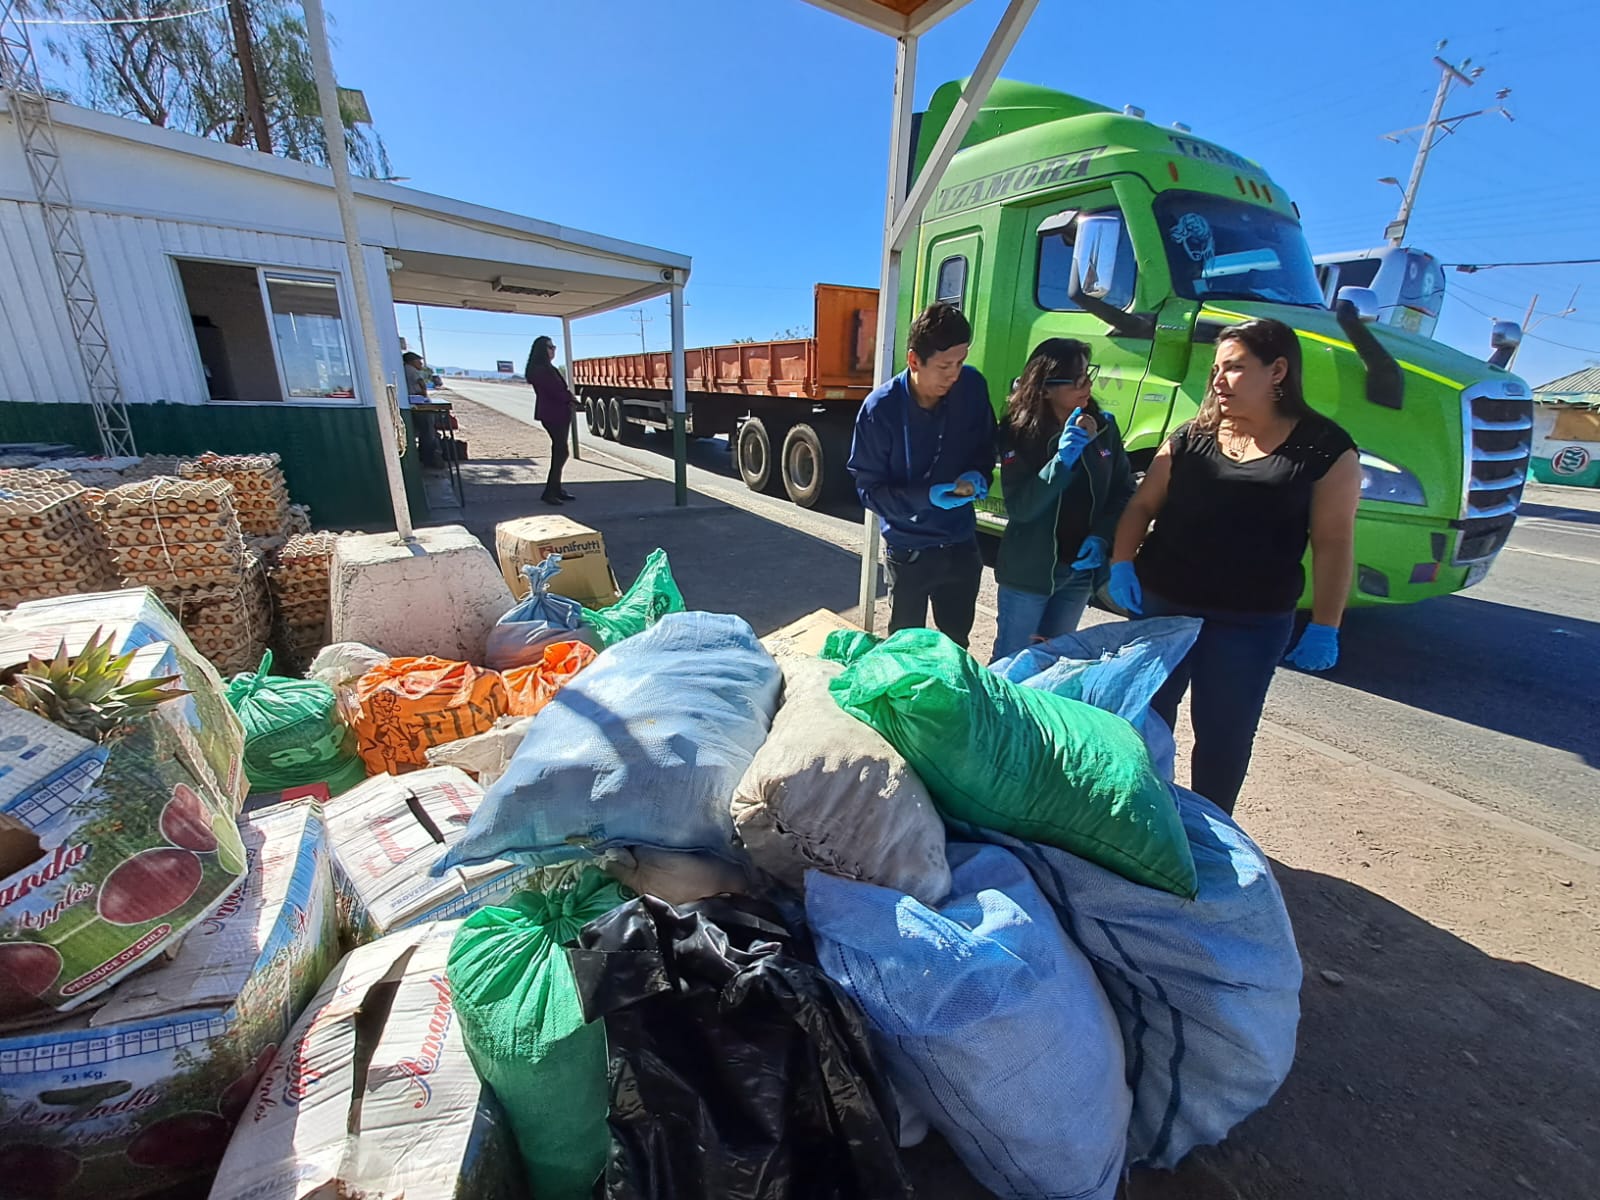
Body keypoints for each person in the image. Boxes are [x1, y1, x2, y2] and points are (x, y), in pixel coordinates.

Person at [1108, 317, 1360, 814]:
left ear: (1279, 371)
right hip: (1165, 607)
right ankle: (1140, 819)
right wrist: (1122, 562)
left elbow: (1333, 543)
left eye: (1236, 368)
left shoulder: (1324, 450)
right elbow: (1141, 506)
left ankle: (1209, 832)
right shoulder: (1191, 438)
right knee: (1143, 722)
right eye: (1218, 369)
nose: (1219, 380)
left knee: (1224, 736)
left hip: (1250, 623)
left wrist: (1326, 625)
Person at [848, 302, 997, 649]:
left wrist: (978, 474)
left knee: (956, 643)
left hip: (960, 542)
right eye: (945, 366)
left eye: (961, 362)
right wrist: (924, 497)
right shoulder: (879, 410)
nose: (955, 374)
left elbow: (986, 445)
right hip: (910, 549)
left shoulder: (972, 388)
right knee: (905, 648)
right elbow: (869, 490)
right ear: (914, 360)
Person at [991, 337, 1136, 662]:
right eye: (1077, 380)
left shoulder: (1103, 427)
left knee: (1054, 659)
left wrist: (1102, 537)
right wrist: (1061, 462)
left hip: (1079, 573)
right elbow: (1021, 508)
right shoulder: (1018, 432)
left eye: (1088, 375)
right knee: (1013, 660)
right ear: (1044, 389)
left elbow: (1124, 490)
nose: (1087, 386)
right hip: (1030, 573)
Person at [524, 335, 577, 506]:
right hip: (553, 414)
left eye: (554, 347)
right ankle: (550, 491)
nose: (553, 350)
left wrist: (570, 399)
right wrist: (569, 399)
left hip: (559, 413)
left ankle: (556, 489)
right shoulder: (540, 370)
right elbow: (555, 391)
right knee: (561, 451)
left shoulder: (547, 368)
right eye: (550, 347)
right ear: (542, 350)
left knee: (561, 451)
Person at [403, 351, 442, 465]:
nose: (420, 364)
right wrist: (425, 395)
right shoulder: (411, 370)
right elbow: (421, 383)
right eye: (419, 361)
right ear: (412, 361)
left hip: (412, 401)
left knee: (424, 431)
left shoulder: (405, 369)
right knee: (427, 431)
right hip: (417, 403)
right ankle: (428, 458)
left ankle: (424, 455)